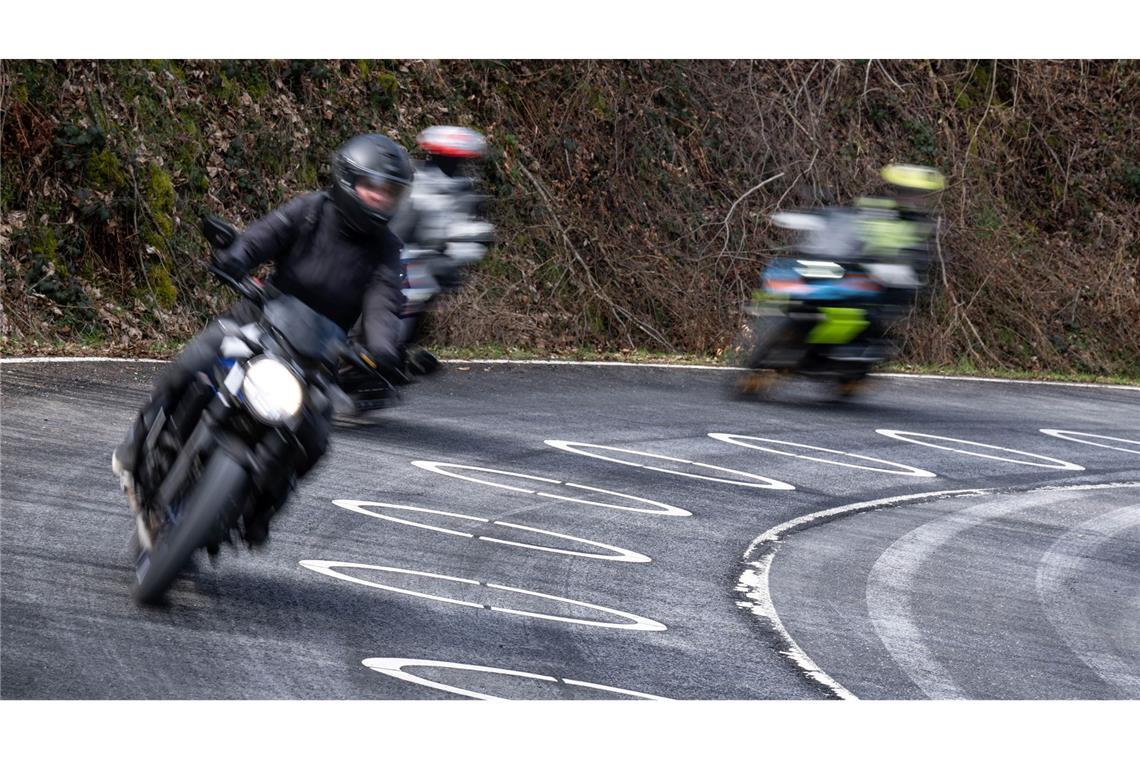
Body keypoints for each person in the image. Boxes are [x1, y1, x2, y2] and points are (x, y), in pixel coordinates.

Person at [112, 133, 414, 544]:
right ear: (347, 180)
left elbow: (385, 304)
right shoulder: (311, 210)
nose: (380, 199)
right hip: (261, 319)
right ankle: (138, 438)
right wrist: (233, 257)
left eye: (389, 193)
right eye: (372, 188)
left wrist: (381, 351)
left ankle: (259, 510)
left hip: (318, 358)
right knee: (201, 356)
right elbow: (262, 237)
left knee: (316, 436)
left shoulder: (387, 251)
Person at [387, 125, 494, 375]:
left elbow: (469, 233)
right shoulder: (412, 179)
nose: (452, 165)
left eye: (456, 160)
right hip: (399, 257)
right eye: (448, 159)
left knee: (420, 300)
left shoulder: (465, 192)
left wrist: (466, 246)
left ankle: (402, 349)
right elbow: (397, 224)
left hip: (428, 266)